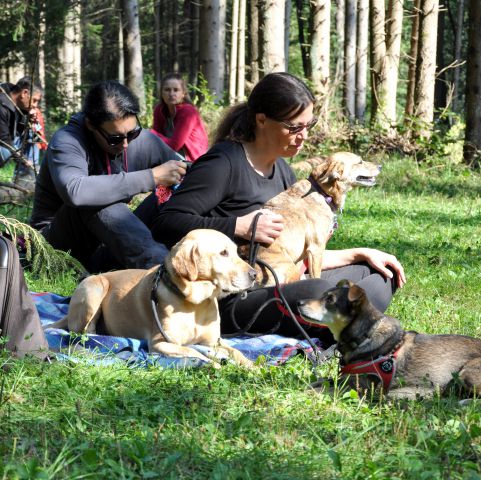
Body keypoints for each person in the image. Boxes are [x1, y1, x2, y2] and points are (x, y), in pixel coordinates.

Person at [150, 72, 406, 342]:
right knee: (320, 290)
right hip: (233, 296)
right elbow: (166, 223)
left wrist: (360, 254)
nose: (303, 136)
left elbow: (297, 254)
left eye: (309, 125)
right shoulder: (222, 164)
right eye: (294, 128)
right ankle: (348, 334)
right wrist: (239, 226)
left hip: (285, 278)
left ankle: (341, 333)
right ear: (261, 120)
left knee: (379, 273)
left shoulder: (282, 171)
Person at [30, 80, 186, 273]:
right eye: (115, 138)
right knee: (94, 197)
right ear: (91, 125)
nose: (126, 144)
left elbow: (188, 171)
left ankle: (193, 257)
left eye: (133, 133)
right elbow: (75, 191)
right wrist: (151, 177)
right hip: (56, 248)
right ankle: (161, 270)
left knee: (172, 193)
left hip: (108, 244)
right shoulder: (67, 142)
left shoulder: (140, 139)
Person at [151, 73, 208, 162]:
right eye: (167, 90)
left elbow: (175, 145)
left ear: (183, 93)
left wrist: (150, 133)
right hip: (170, 154)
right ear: (161, 93)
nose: (171, 94)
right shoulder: (159, 110)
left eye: (176, 90)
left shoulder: (188, 112)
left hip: (192, 159)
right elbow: (156, 138)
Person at [0, 77, 43, 187]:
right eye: (34, 100)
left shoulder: (19, 106)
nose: (35, 105)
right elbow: (4, 141)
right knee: (6, 151)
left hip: (8, 142)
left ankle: (25, 181)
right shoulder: (2, 105)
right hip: (4, 143)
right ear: (24, 93)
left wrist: (29, 120)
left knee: (31, 135)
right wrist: (23, 159)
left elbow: (18, 133)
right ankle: (26, 173)